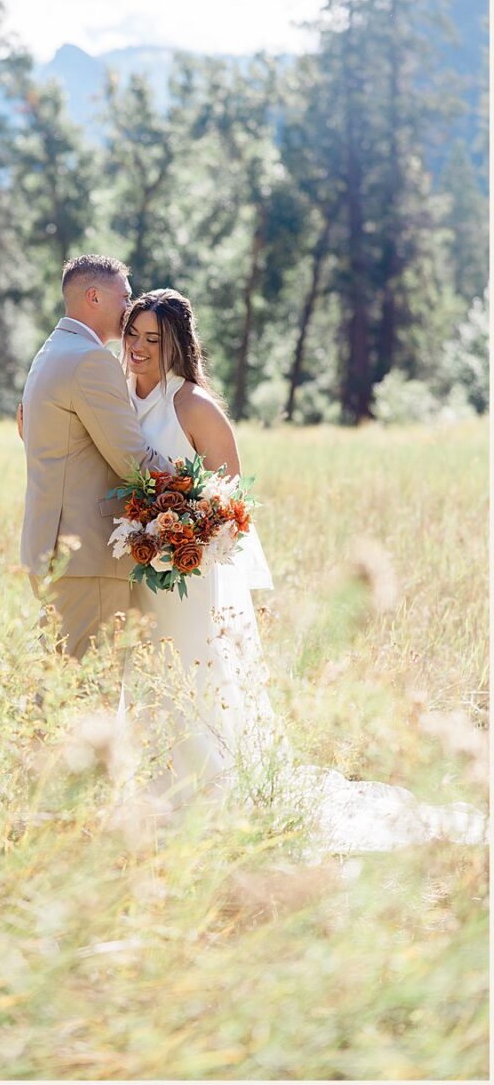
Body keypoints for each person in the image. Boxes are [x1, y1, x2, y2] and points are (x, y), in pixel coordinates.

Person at [115, 289, 484, 854]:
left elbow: (231, 500)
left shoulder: (193, 405)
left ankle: (210, 798)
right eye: (133, 334)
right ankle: (145, 795)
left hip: (187, 577)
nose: (139, 348)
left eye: (153, 339)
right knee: (145, 675)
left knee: (195, 675)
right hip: (139, 573)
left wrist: (182, 534)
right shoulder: (117, 395)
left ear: (176, 347)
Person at [18, 254, 169, 659]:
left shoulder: (50, 352)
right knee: (90, 686)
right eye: (125, 296)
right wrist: (198, 490)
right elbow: (132, 459)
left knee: (61, 679)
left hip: (52, 546)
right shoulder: (91, 360)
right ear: (94, 297)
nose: (130, 307)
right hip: (87, 553)